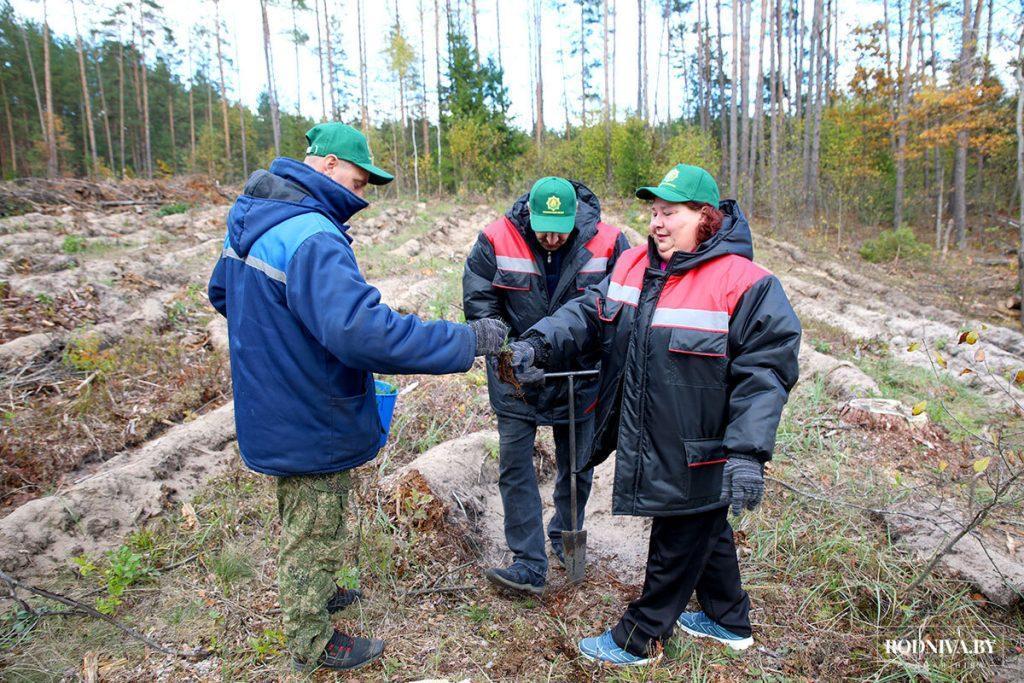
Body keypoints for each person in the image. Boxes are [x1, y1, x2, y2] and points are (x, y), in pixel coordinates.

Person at [207, 123, 508, 672]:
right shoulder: (312, 235)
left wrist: (278, 345)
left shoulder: (255, 218)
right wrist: (469, 340)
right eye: (359, 176)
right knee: (313, 522)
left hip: (272, 397)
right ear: (325, 166)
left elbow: (223, 294)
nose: (363, 189)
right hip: (306, 407)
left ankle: (316, 591)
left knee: (307, 507)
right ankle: (310, 638)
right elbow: (366, 334)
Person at [507, 164, 801, 664]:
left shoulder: (745, 284)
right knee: (706, 523)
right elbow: (588, 313)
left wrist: (747, 453)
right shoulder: (636, 266)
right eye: (654, 211)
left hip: (703, 445)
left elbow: (766, 372)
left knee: (679, 531)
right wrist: (538, 343)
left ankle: (640, 636)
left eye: (671, 213)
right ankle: (728, 618)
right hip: (652, 431)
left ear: (705, 218)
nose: (658, 222)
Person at [463, 177, 629, 594]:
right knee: (515, 467)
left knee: (578, 465)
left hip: (581, 375)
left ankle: (565, 532)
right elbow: (482, 306)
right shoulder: (496, 239)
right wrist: (510, 352)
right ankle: (528, 561)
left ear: (577, 218)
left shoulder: (610, 244)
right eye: (543, 228)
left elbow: (619, 308)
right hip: (515, 374)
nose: (552, 238)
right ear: (529, 216)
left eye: (561, 227)